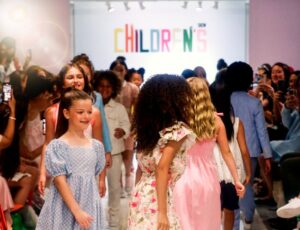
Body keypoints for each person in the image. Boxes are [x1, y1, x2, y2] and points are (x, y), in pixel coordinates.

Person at [173, 77, 245, 230]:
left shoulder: (178, 121)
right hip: (208, 178)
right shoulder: (216, 122)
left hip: (181, 177)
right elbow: (227, 153)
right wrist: (237, 179)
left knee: (183, 222)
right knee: (208, 223)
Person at [128, 74, 196, 229]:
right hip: (161, 197)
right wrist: (162, 212)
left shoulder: (145, 131)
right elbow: (162, 167)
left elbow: (140, 169)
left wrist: (135, 196)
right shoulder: (177, 131)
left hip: (141, 195)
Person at [36, 88, 106, 230]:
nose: (86, 116)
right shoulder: (57, 146)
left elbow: (95, 173)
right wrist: (77, 211)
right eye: (80, 112)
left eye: (89, 112)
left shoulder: (96, 146)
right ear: (66, 113)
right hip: (65, 207)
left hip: (89, 204)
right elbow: (60, 182)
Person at [38, 63, 105, 197]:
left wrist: (102, 178)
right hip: (61, 172)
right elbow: (48, 143)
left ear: (85, 81)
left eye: (79, 77)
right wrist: (42, 172)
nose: (76, 80)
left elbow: (99, 146)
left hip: (87, 173)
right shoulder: (52, 112)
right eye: (70, 77)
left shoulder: (94, 113)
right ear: (62, 83)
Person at [225, 61, 272, 229]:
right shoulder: (254, 103)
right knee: (247, 184)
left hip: (227, 150)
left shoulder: (224, 100)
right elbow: (262, 131)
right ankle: (249, 218)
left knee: (230, 186)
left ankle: (235, 222)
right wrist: (267, 155)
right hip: (250, 151)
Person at [210, 71, 251, 230]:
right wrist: (248, 173)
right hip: (232, 172)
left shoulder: (209, 123)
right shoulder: (237, 123)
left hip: (214, 171)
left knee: (215, 208)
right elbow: (244, 151)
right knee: (230, 208)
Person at [94, 70, 130, 229]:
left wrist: (123, 131)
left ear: (113, 88)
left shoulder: (119, 108)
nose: (104, 89)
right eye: (101, 86)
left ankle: (114, 224)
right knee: (94, 189)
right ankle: (95, 222)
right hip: (94, 155)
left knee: (115, 189)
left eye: (108, 86)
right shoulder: (91, 106)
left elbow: (127, 125)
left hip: (114, 154)